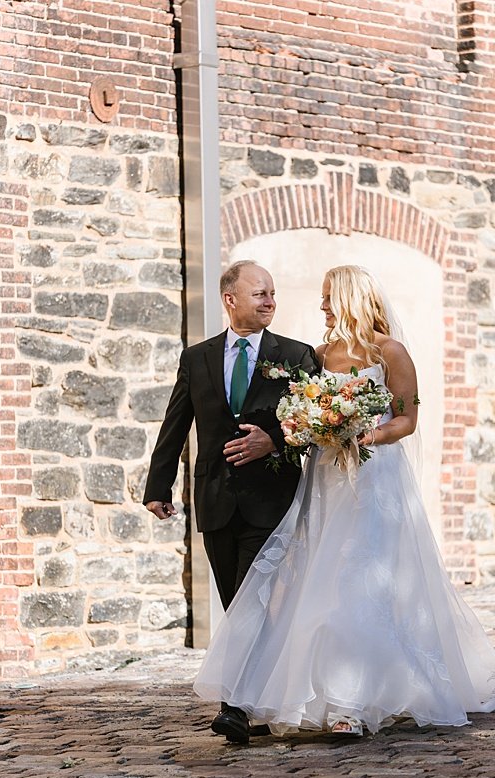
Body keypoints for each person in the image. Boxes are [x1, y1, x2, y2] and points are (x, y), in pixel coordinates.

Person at [193, 265, 495, 737]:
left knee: (362, 578)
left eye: (329, 296)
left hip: (374, 478)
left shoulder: (389, 351)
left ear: (351, 297)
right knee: (321, 578)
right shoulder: (318, 354)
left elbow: (407, 419)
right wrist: (305, 428)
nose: (323, 305)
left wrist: (365, 435)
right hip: (326, 478)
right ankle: (314, 694)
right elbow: (301, 413)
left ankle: (351, 705)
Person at [143, 260, 318, 744]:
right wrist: (159, 486)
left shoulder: (297, 355)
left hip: (273, 501)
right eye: (260, 293)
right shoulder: (197, 358)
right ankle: (256, 701)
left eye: (273, 293)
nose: (269, 301)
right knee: (235, 601)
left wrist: (275, 441)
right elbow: (176, 423)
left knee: (252, 600)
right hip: (216, 501)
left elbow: (318, 425)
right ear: (230, 299)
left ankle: (234, 708)